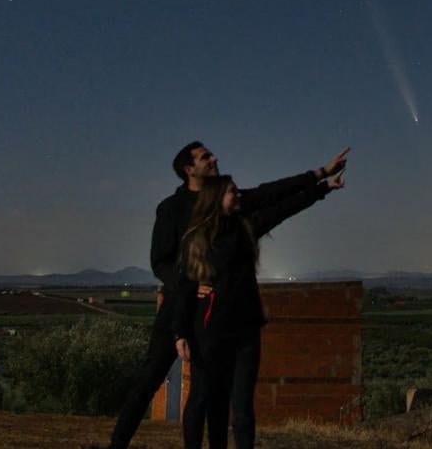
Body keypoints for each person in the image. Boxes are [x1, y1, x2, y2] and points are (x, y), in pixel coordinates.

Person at [103, 142, 349, 449]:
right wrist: (190, 285)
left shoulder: (229, 202)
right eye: (206, 157)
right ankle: (117, 445)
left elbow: (274, 196)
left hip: (216, 314)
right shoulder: (172, 209)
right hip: (181, 307)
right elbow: (160, 262)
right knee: (150, 380)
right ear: (188, 169)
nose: (215, 158)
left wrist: (320, 175)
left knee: (212, 392)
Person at [173, 169, 346, 449]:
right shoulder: (196, 239)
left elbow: (285, 208)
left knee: (242, 407)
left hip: (246, 333)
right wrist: (179, 332)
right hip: (210, 333)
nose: (238, 194)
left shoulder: (246, 227)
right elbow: (182, 287)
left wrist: (323, 187)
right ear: (216, 198)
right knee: (203, 398)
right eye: (232, 191)